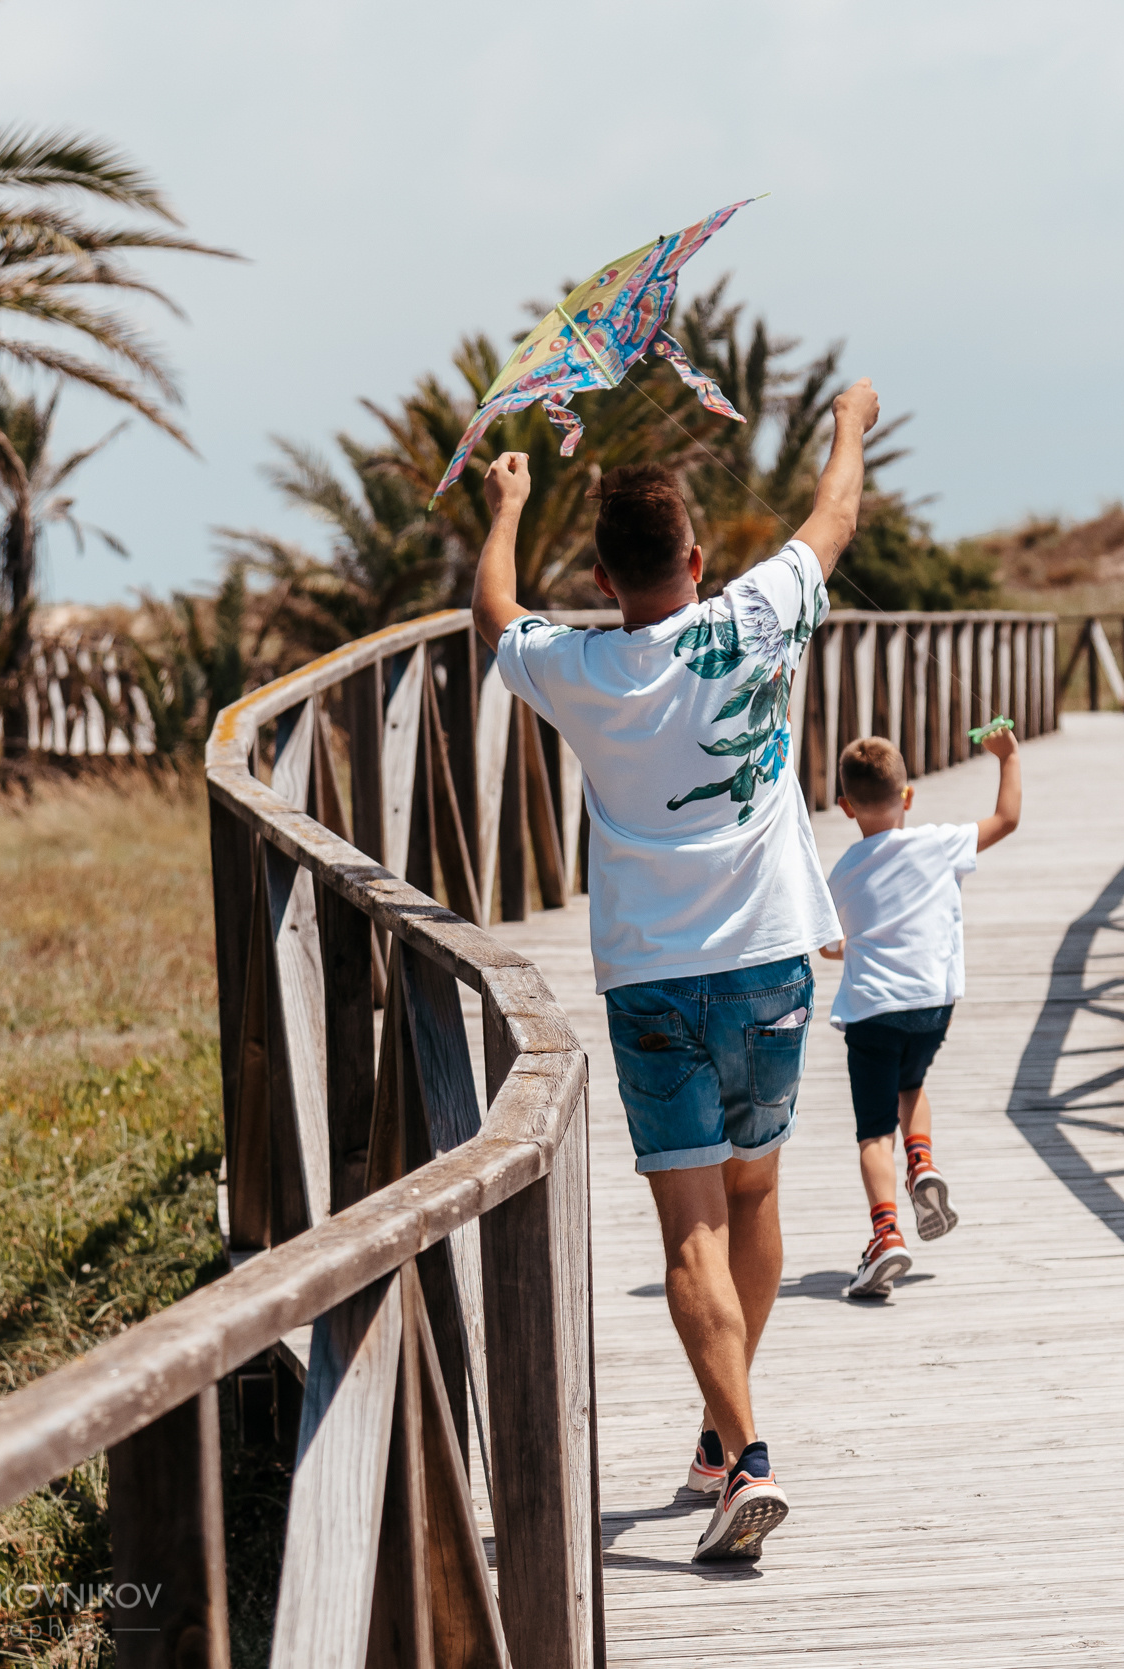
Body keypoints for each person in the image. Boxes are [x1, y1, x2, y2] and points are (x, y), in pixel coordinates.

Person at [471, 375, 881, 1563]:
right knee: (756, 1202)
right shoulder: (758, 615)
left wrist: (506, 502)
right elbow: (834, 519)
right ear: (697, 556)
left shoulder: (579, 669)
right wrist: (847, 423)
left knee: (689, 1230)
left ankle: (738, 1450)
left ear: (603, 578)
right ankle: (728, 1440)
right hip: (768, 961)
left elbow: (495, 614)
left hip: (652, 979)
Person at [818, 723, 1023, 1299]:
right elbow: (1006, 819)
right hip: (933, 1007)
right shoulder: (938, 843)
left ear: (845, 807)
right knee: (914, 1085)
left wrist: (846, 945)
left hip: (872, 1015)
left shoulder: (841, 875)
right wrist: (1007, 758)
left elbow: (828, 943)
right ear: (908, 796)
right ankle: (923, 1163)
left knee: (872, 1132)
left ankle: (886, 1235)